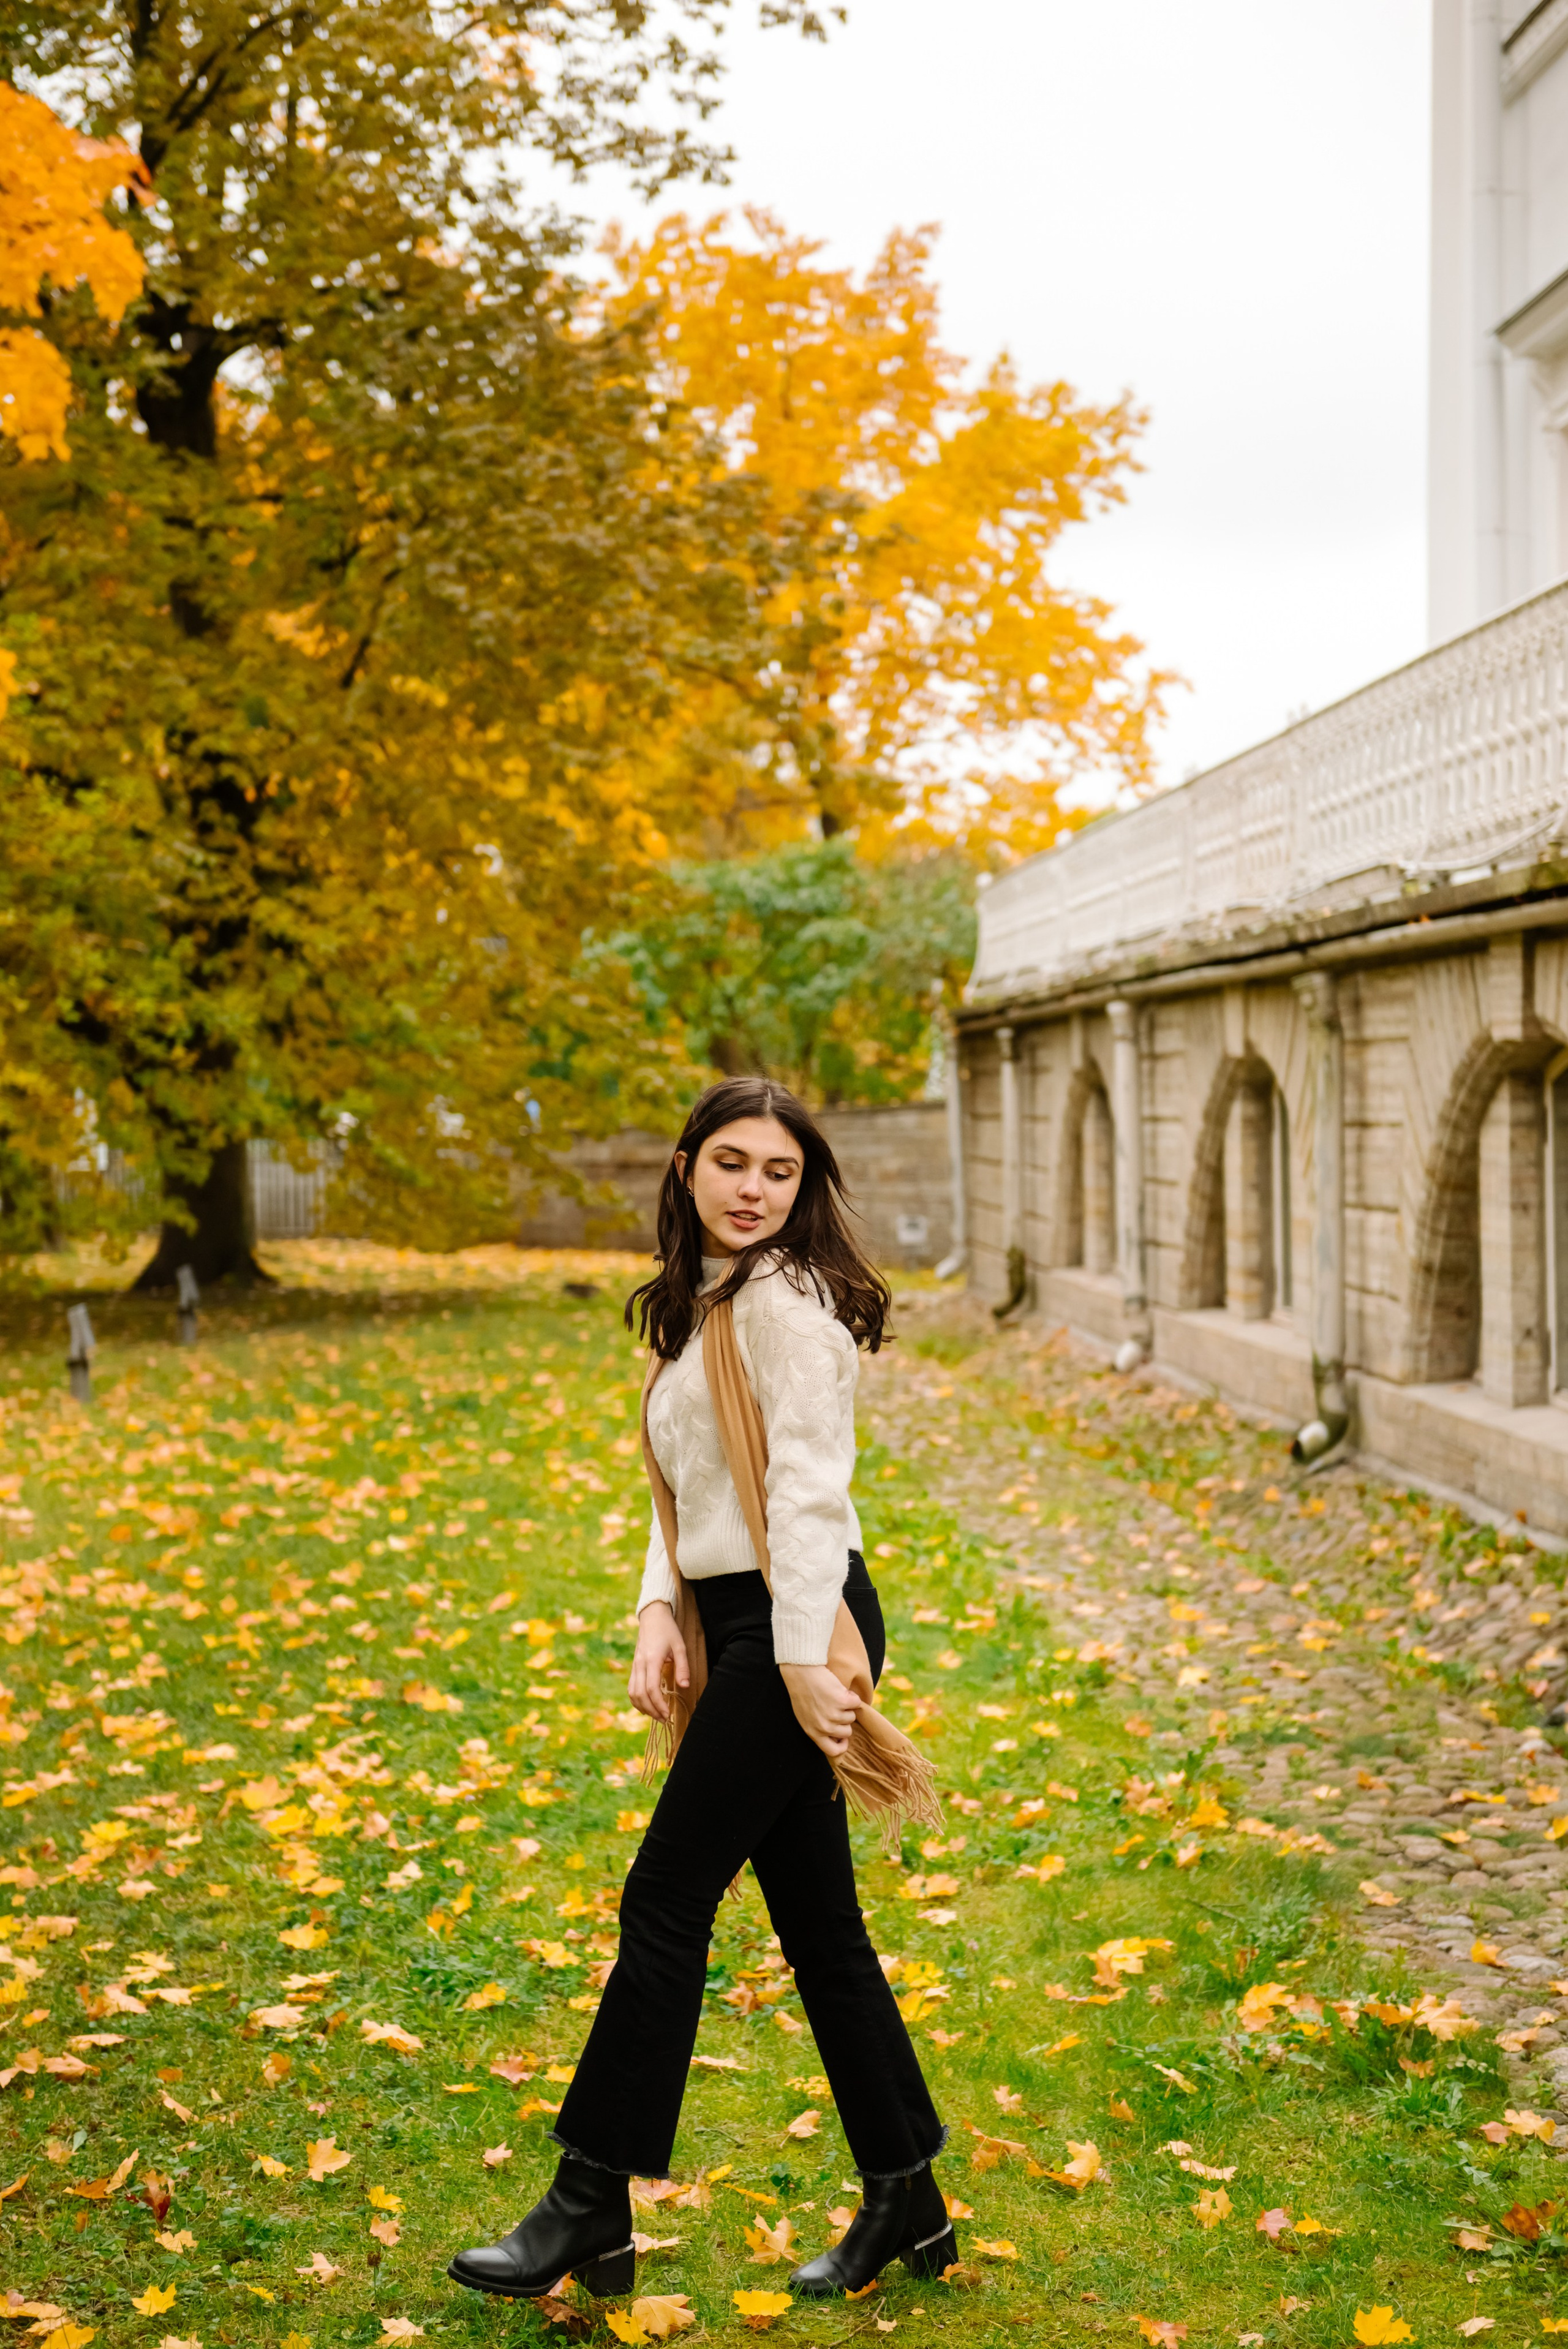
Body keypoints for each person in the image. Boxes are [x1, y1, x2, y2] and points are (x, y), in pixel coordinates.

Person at [447, 1076, 953, 2306]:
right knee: (818, 1927)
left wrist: (790, 1662)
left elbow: (806, 1498)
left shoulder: (788, 1308)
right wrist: (656, 1609)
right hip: (737, 1615)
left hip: (797, 1616)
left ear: (802, 1186)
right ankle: (909, 2199)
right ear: (684, 1168)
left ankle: (587, 2200)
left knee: (665, 1895)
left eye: (778, 1173)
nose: (752, 1190)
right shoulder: (699, 1303)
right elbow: (689, 1488)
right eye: (730, 1163)